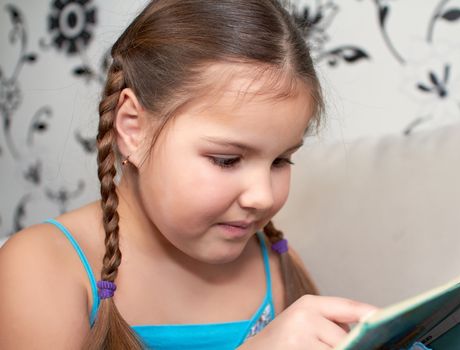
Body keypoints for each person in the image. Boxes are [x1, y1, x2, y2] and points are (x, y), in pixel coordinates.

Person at [0, 0, 376, 349]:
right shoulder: (41, 266)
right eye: (226, 160)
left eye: (281, 161)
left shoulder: (274, 262)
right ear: (134, 129)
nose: (262, 197)